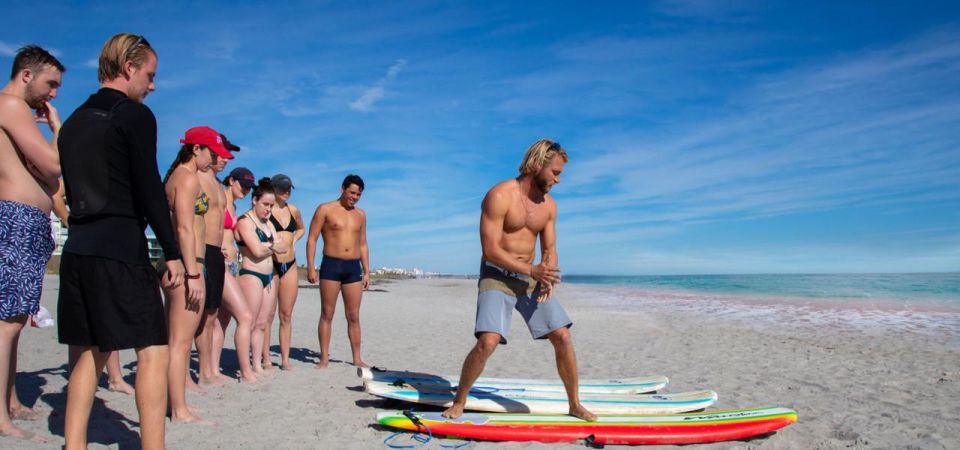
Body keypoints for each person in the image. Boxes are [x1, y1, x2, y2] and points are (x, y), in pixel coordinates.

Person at [57, 33, 183, 450]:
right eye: (150, 75)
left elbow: (72, 193)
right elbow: (148, 188)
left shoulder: (73, 121)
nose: (152, 85)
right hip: (119, 246)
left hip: (78, 248)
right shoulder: (133, 115)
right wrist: (173, 253)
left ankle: (73, 444)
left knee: (90, 350)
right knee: (152, 347)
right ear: (129, 68)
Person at [441, 139, 597, 422]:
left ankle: (574, 403)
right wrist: (534, 271)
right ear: (537, 165)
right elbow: (490, 250)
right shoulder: (499, 196)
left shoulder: (549, 206)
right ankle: (459, 400)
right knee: (488, 341)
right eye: (555, 173)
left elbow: (549, 249)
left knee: (562, 335)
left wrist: (548, 273)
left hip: (532, 278)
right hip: (497, 276)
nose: (558, 180)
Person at [0, 44, 63, 444]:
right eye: (50, 83)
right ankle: (1, 417)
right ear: (26, 74)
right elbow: (56, 166)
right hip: (16, 218)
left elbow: (52, 182)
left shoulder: (16, 113)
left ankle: (10, 400)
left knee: (17, 319)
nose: (53, 94)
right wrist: (57, 129)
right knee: (5, 323)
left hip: (30, 220)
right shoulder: (10, 105)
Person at [163, 126, 231, 424]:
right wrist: (193, 273)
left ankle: (175, 403)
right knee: (180, 341)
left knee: (176, 339)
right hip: (191, 263)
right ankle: (178, 409)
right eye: (211, 153)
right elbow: (184, 228)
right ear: (196, 150)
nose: (214, 159)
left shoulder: (179, 175)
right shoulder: (187, 177)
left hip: (189, 261)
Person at [306, 175, 370, 369]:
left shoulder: (360, 214)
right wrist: (310, 266)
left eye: (358, 194)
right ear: (342, 189)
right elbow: (312, 238)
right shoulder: (325, 209)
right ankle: (324, 358)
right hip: (331, 266)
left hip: (353, 268)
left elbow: (363, 244)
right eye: (352, 192)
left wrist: (367, 271)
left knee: (354, 315)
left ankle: (357, 358)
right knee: (327, 313)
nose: (355, 197)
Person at [208, 156, 260, 384]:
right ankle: (245, 372)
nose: (247, 190)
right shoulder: (219, 197)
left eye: (250, 187)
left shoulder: (234, 205)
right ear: (232, 181)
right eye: (244, 185)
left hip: (230, 265)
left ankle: (212, 369)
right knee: (245, 316)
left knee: (221, 320)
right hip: (219, 263)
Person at [194, 134, 236, 386]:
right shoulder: (196, 179)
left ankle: (207, 370)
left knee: (211, 316)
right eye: (220, 154)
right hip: (202, 251)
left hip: (216, 255)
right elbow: (193, 217)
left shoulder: (218, 185)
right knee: (196, 318)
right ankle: (200, 373)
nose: (224, 159)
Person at [236, 178, 288, 376]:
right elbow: (256, 251)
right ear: (254, 201)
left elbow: (283, 247)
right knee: (248, 323)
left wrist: (268, 246)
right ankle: (245, 368)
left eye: (271, 206)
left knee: (261, 323)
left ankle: (256, 364)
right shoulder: (244, 221)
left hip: (268, 277)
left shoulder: (268, 224)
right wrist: (271, 246)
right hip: (252, 275)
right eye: (265, 204)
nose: (268, 209)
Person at [264, 174, 304, 370]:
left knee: (286, 314)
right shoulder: (266, 209)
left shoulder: (293, 210)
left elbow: (301, 229)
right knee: (268, 314)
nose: (286, 191)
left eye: (289, 188)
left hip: (291, 265)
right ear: (273, 188)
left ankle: (285, 359)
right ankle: (265, 358)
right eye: (282, 188)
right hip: (270, 265)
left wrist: (294, 241)